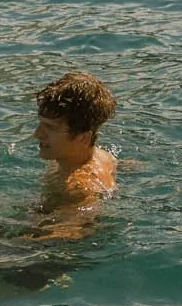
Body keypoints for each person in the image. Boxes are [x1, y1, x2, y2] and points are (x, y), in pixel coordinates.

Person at [29, 70, 117, 239]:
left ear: (83, 137)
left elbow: (72, 230)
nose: (37, 134)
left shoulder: (77, 187)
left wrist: (7, 251)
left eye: (50, 127)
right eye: (40, 124)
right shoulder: (103, 156)